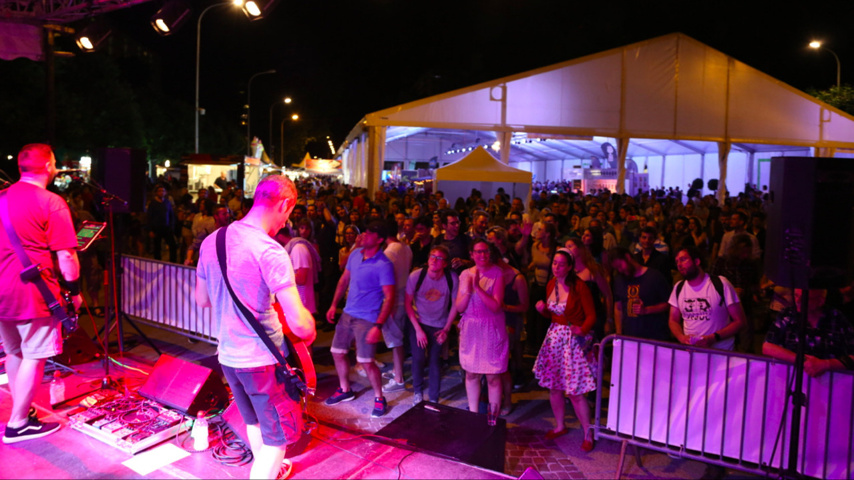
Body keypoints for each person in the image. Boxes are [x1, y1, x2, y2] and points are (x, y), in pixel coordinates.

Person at [194, 174, 316, 479]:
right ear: (285, 204)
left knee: (254, 422)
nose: (286, 221)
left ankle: (268, 471)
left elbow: (202, 300)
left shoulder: (212, 241)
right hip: (262, 362)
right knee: (278, 440)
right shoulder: (269, 250)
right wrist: (310, 328)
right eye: (289, 212)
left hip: (229, 356)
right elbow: (300, 324)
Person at [0, 144, 82, 444]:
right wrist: (74, 292)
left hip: (2, 290)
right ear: (48, 166)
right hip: (33, 294)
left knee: (15, 353)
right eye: (55, 162)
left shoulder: (2, 197)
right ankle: (18, 423)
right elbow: (67, 256)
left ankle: (21, 411)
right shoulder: (51, 202)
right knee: (35, 356)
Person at [325, 220, 396, 417]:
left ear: (379, 239)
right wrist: (333, 305)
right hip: (348, 313)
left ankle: (379, 398)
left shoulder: (384, 264)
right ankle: (345, 389)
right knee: (337, 352)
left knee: (366, 361)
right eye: (364, 231)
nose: (363, 235)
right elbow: (343, 280)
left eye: (369, 233)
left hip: (367, 319)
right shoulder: (356, 254)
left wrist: (378, 326)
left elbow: (390, 297)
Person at [532, 249, 597, 451]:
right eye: (554, 263)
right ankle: (560, 425)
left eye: (561, 264)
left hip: (572, 341)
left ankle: (588, 433)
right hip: (554, 339)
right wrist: (543, 311)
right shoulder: (551, 284)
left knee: (575, 391)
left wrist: (582, 329)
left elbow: (591, 315)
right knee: (554, 386)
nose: (556, 267)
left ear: (569, 267)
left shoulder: (579, 287)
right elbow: (554, 316)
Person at [455, 239, 507, 415]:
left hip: (491, 327)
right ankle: (473, 414)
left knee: (493, 376)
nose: (483, 255)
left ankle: (493, 417)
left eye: (485, 251)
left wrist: (477, 287)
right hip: (471, 328)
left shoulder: (497, 273)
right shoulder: (465, 274)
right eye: (478, 251)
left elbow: (496, 306)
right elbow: (459, 307)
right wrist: (468, 290)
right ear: (471, 255)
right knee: (471, 374)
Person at [405, 245, 459, 404]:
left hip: (439, 324)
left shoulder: (451, 278)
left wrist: (446, 329)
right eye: (432, 256)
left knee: (435, 359)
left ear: (445, 263)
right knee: (418, 357)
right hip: (419, 322)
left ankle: (434, 397)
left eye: (439, 258)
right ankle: (418, 391)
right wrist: (417, 330)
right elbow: (407, 303)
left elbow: (455, 305)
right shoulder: (417, 276)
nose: (434, 260)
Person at [668, 246, 747, 350]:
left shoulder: (720, 283)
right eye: (677, 261)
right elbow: (673, 320)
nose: (679, 264)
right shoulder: (678, 287)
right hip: (692, 352)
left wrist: (713, 338)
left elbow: (740, 321)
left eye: (683, 259)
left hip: (721, 352)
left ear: (697, 261)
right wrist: (682, 338)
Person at [762, 288, 854, 376]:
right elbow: (767, 347)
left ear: (820, 301)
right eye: (796, 295)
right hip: (791, 377)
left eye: (804, 298)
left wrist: (826, 364)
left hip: (831, 381)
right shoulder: (788, 314)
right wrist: (803, 360)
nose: (797, 300)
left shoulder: (836, 318)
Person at [607, 247, 672, 341]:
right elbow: (618, 307)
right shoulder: (619, 280)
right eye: (617, 268)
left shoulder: (654, 276)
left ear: (627, 257)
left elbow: (668, 304)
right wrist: (619, 334)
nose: (620, 270)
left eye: (620, 265)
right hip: (630, 337)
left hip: (654, 337)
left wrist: (647, 310)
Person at [148, 184, 178, 263]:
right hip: (156, 228)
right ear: (156, 192)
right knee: (157, 247)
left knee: (173, 245)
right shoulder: (153, 203)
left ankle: (172, 262)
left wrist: (172, 226)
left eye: (163, 191)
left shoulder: (167, 202)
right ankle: (157, 262)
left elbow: (171, 215)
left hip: (167, 227)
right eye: (159, 191)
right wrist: (151, 229)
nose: (161, 192)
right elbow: (150, 217)